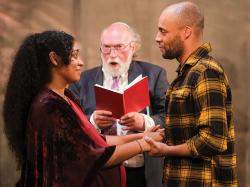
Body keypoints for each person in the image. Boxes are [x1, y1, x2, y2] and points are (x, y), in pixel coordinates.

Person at [3, 31, 164, 187]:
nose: (81, 62)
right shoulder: (49, 105)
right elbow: (96, 155)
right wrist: (144, 143)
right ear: (54, 59)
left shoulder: (65, 97)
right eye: (74, 55)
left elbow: (96, 140)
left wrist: (144, 135)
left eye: (119, 47)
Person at [144, 1, 238, 187]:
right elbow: (193, 130)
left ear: (186, 32)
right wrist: (167, 135)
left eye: (163, 31)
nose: (157, 38)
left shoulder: (206, 72)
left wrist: (166, 150)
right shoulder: (187, 72)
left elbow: (213, 140)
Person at [70, 22, 169, 187]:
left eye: (119, 47)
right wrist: (93, 121)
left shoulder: (154, 74)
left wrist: (144, 122)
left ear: (133, 47)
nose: (112, 54)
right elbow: (69, 123)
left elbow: (170, 118)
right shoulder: (83, 80)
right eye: (106, 47)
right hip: (100, 171)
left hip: (140, 172)